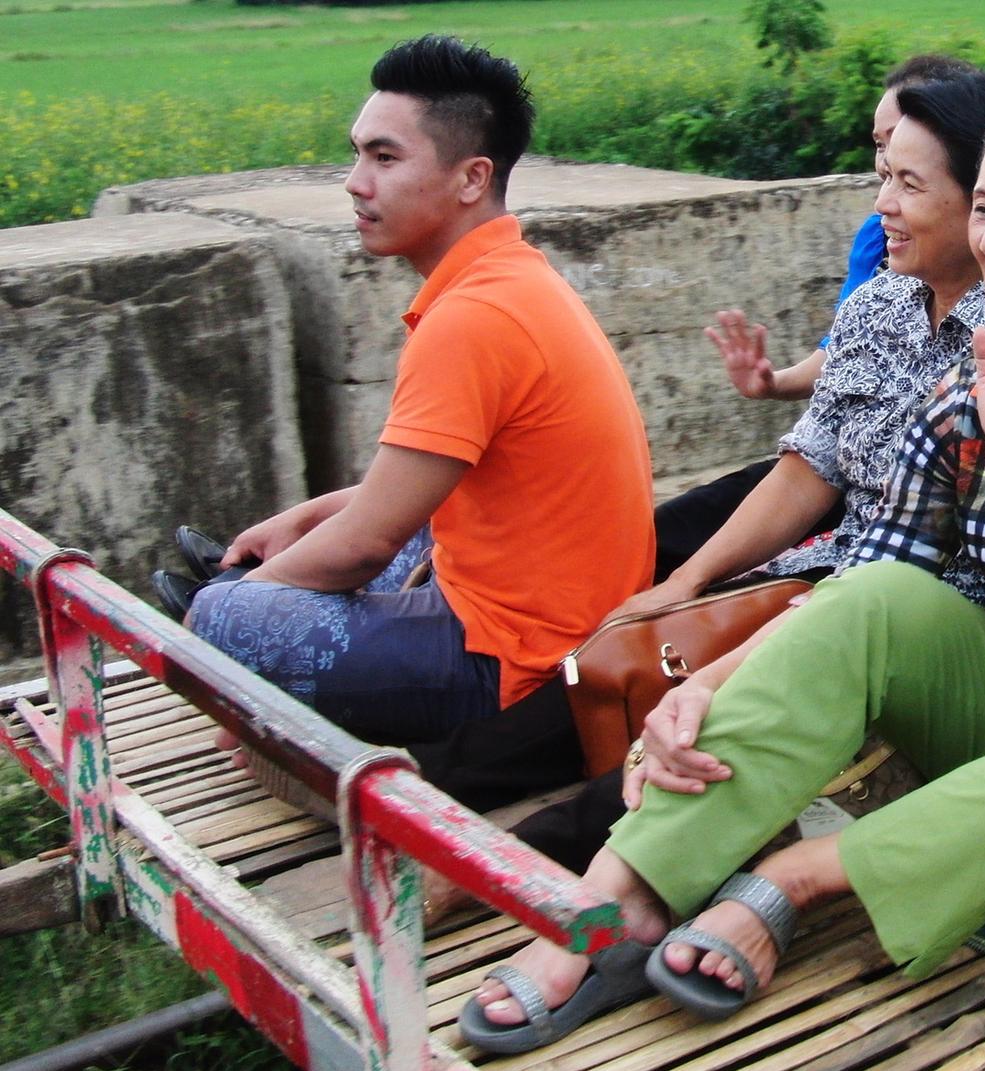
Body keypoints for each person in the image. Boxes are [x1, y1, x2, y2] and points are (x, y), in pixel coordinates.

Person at [459, 87, 985, 1051]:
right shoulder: (977, 371)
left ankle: (796, 879)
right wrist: (700, 689)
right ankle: (610, 905)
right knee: (878, 594)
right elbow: (866, 577)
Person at [485, 67, 985, 879]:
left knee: (726, 694)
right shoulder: (880, 304)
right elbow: (810, 467)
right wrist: (688, 582)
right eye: (882, 176)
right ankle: (439, 786)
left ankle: (547, 859)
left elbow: (922, 557)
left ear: (981, 200)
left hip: (919, 609)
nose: (882, 204)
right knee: (628, 647)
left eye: (908, 183)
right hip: (833, 570)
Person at [168, 36, 654, 744]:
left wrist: (238, 602)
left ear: (470, 178)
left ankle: (224, 603)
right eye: (359, 153)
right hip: (559, 625)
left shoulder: (473, 318)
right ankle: (249, 603)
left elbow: (367, 545)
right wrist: (300, 522)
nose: (355, 182)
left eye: (385, 158)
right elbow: (417, 496)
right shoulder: (511, 280)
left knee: (216, 622)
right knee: (294, 565)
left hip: (519, 667)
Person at [657, 54, 985, 581]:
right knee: (667, 546)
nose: (883, 192)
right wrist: (683, 586)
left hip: (902, 584)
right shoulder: (881, 287)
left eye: (907, 174)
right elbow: (825, 433)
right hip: (847, 543)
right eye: (882, 149)